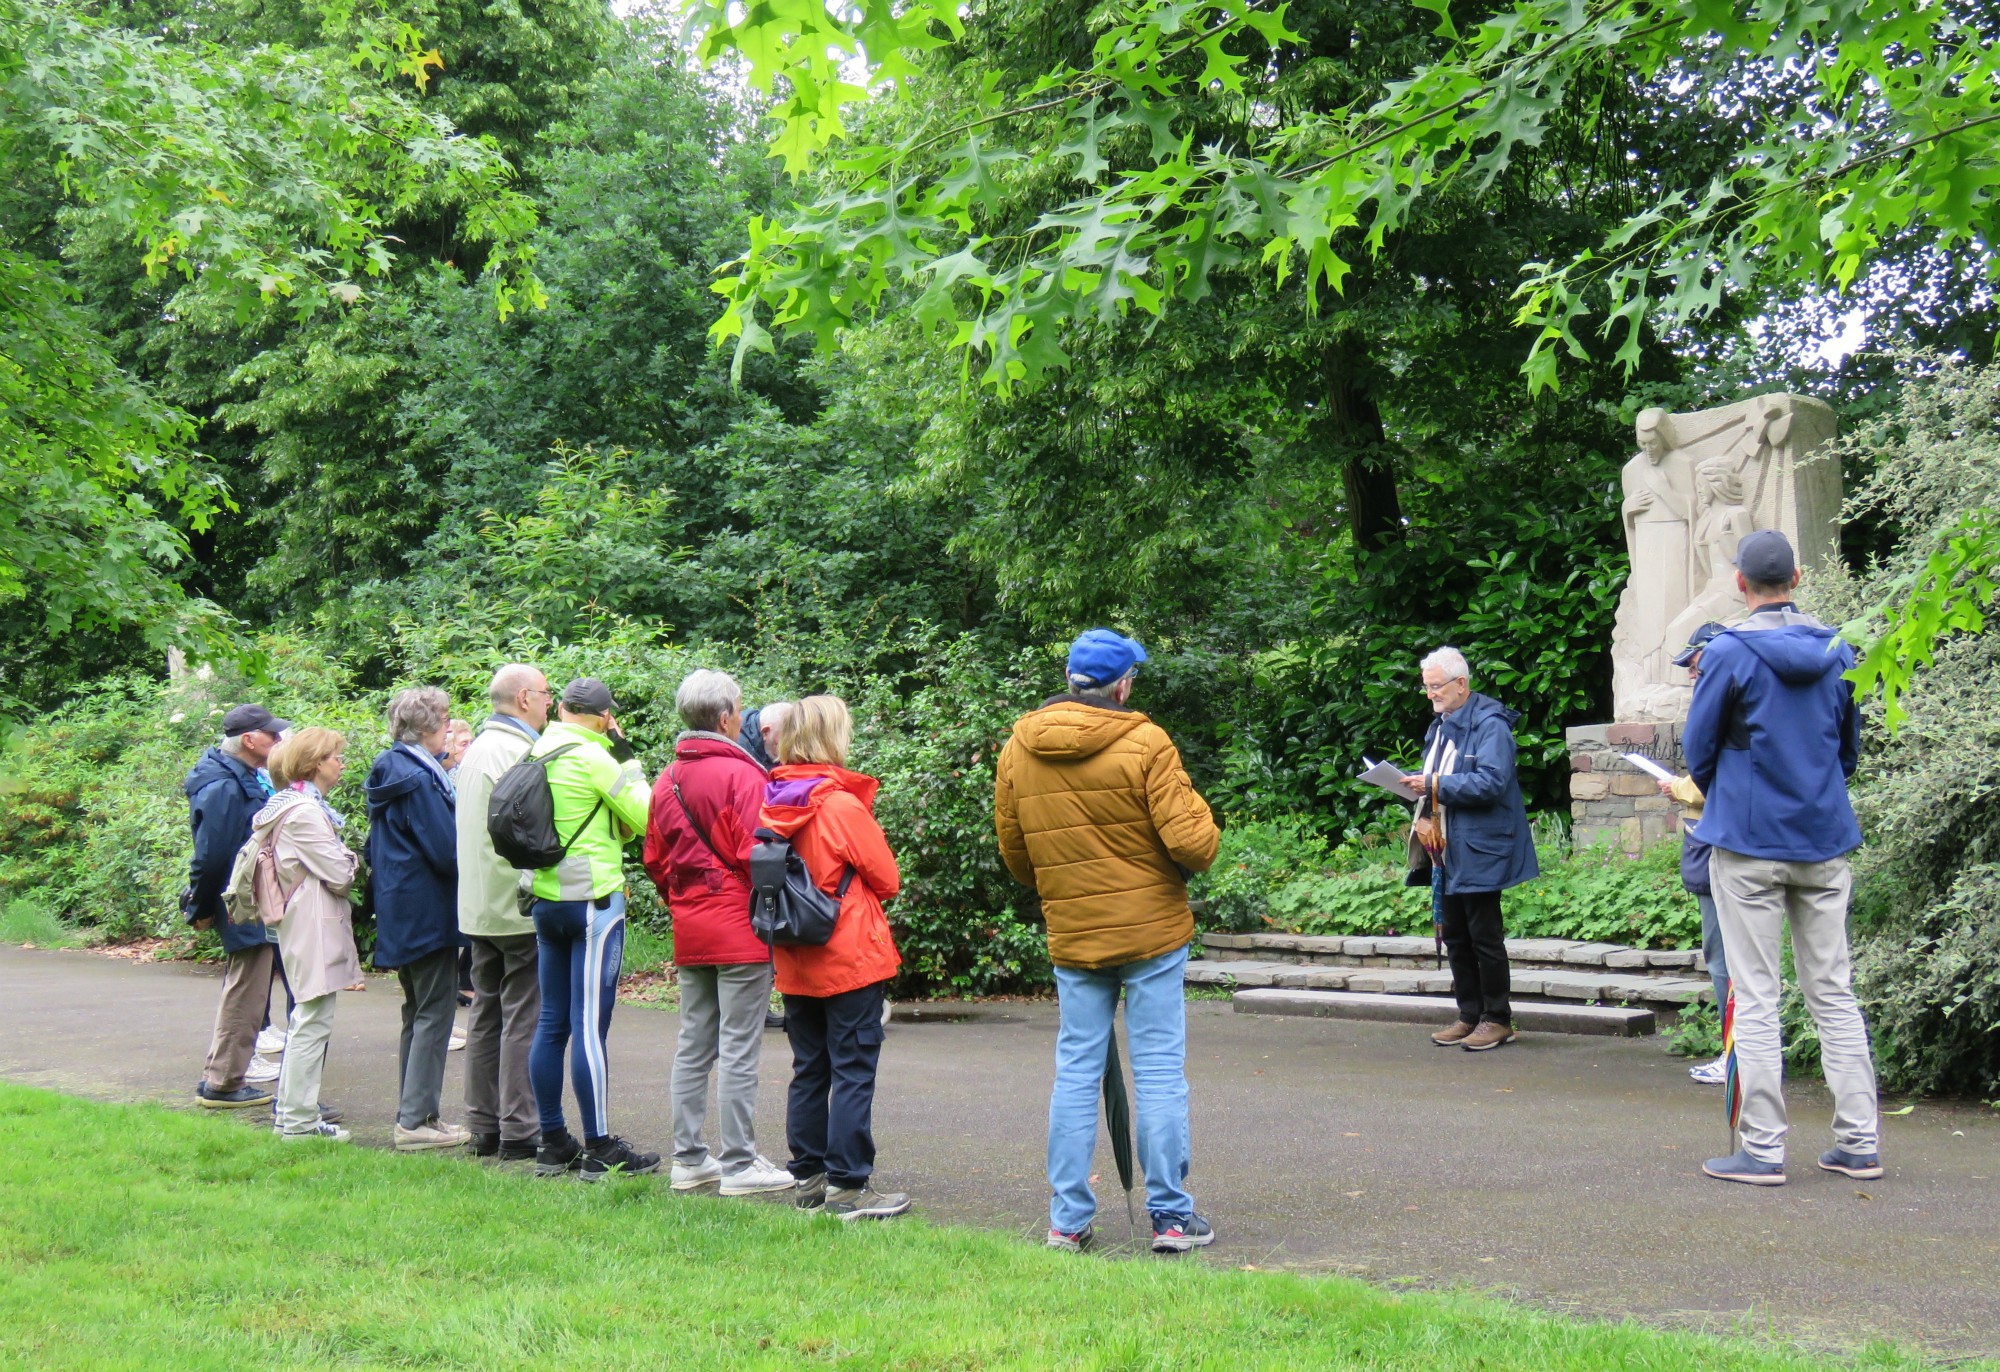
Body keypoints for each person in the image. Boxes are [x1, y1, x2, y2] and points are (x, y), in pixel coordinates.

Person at [994, 629, 1221, 1254]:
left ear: (1071, 679)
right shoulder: (1147, 742)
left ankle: (1068, 1221)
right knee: (1157, 1073)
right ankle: (1171, 1219)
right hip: (1152, 932)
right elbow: (1194, 846)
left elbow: (1017, 856)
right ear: (1123, 685)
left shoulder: (1018, 747)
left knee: (1074, 1073)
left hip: (1073, 935)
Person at [1683, 530, 1880, 1186]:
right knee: (1833, 991)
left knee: (1757, 995)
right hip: (1824, 839)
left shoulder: (1728, 653)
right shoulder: (1837, 648)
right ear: (1797, 576)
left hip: (1746, 842)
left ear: (1740, 584)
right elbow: (1848, 750)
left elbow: (1700, 749)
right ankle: (1859, 1142)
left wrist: (1727, 794)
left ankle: (1763, 1149)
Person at [642, 670, 792, 1197]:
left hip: (692, 925)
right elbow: (758, 856)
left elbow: (655, 859)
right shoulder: (743, 776)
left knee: (693, 1043)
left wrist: (683, 901)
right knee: (738, 1047)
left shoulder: (667, 779)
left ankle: (689, 1159)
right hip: (739, 927)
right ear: (727, 716)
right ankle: (738, 1163)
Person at [760, 694, 909, 1220]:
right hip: (847, 954)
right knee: (852, 1068)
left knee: (810, 1069)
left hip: (796, 956)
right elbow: (887, 880)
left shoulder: (771, 799)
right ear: (831, 738)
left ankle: (809, 1178)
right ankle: (847, 1186)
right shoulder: (839, 805)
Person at [526, 678, 660, 1182]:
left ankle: (551, 1140)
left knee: (551, 1022)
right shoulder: (596, 757)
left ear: (560, 708)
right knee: (588, 1028)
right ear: (606, 717)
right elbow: (649, 816)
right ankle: (600, 1146)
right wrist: (625, 754)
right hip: (593, 905)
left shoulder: (537, 749)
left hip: (545, 901)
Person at [1401, 647, 1539, 1053]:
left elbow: (1492, 783)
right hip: (1445, 847)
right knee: (1456, 935)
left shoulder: (1491, 725)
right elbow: (1434, 780)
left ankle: (1497, 1019)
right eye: (1426, 688)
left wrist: (1435, 786)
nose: (1431, 695)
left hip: (1480, 846)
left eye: (1436, 687)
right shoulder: (1440, 725)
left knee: (1484, 936)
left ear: (1461, 684)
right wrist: (1423, 810)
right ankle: (1469, 1014)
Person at [453, 665, 552, 1161]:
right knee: (522, 1017)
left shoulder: (474, 753)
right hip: (515, 906)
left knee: (486, 1014)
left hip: (477, 906)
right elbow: (536, 836)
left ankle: (482, 1123)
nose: (551, 704)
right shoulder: (521, 753)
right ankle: (519, 1127)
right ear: (524, 697)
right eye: (547, 694)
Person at [363, 686, 468, 1152]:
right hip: (426, 910)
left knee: (418, 1011)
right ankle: (416, 1120)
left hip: (401, 907)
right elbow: (446, 850)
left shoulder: (396, 769)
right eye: (446, 720)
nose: (450, 727)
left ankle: (415, 1112)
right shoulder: (418, 778)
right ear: (427, 727)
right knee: (435, 1013)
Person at [255, 728, 362, 1142]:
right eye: (336, 756)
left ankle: (292, 1116)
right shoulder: (303, 812)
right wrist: (349, 856)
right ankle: (299, 1123)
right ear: (316, 763)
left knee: (307, 1018)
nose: (341, 763)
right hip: (311, 920)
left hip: (303, 920)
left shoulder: (293, 806)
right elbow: (339, 873)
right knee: (312, 1020)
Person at [185, 703, 289, 1109]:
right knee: (247, 990)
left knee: (246, 986)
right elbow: (211, 855)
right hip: (242, 902)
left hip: (247, 897)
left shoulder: (240, 774)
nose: (279, 741)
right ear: (249, 740)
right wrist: (200, 906)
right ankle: (224, 1082)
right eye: (272, 735)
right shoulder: (224, 786)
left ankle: (221, 1074)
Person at [1656, 622, 1731, 1085]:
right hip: (1722, 847)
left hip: (1723, 851)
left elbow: (1713, 779)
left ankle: (1737, 1057)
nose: (1690, 675)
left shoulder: (1724, 706)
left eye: (1695, 665)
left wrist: (1680, 788)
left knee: (1724, 959)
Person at [738, 700, 792, 772]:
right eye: (780, 745)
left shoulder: (760, 722)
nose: (784, 753)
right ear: (765, 732)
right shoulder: (739, 749)